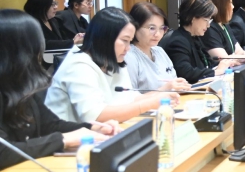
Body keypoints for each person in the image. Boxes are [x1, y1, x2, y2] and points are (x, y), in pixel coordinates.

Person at [0, 10, 118, 170]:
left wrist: (92, 128)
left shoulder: (20, 85)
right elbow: (3, 152)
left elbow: (50, 125)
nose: (38, 56)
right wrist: (63, 140)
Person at [45, 7, 178, 124]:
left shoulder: (114, 60)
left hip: (102, 133)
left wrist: (162, 95)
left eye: (130, 41)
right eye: (125, 41)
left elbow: (131, 99)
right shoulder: (78, 65)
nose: (128, 48)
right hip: (67, 138)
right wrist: (149, 104)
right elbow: (95, 116)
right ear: (105, 38)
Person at [160, 0, 236, 83]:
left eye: (210, 20)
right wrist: (216, 72)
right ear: (193, 18)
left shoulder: (195, 37)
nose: (208, 25)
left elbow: (205, 65)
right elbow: (186, 72)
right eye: (206, 20)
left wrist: (224, 64)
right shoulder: (178, 41)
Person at [125, 2, 191, 92]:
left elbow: (173, 80)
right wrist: (166, 88)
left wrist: (180, 85)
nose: (158, 34)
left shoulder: (159, 51)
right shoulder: (129, 56)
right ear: (135, 27)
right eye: (152, 28)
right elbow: (130, 96)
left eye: (162, 28)